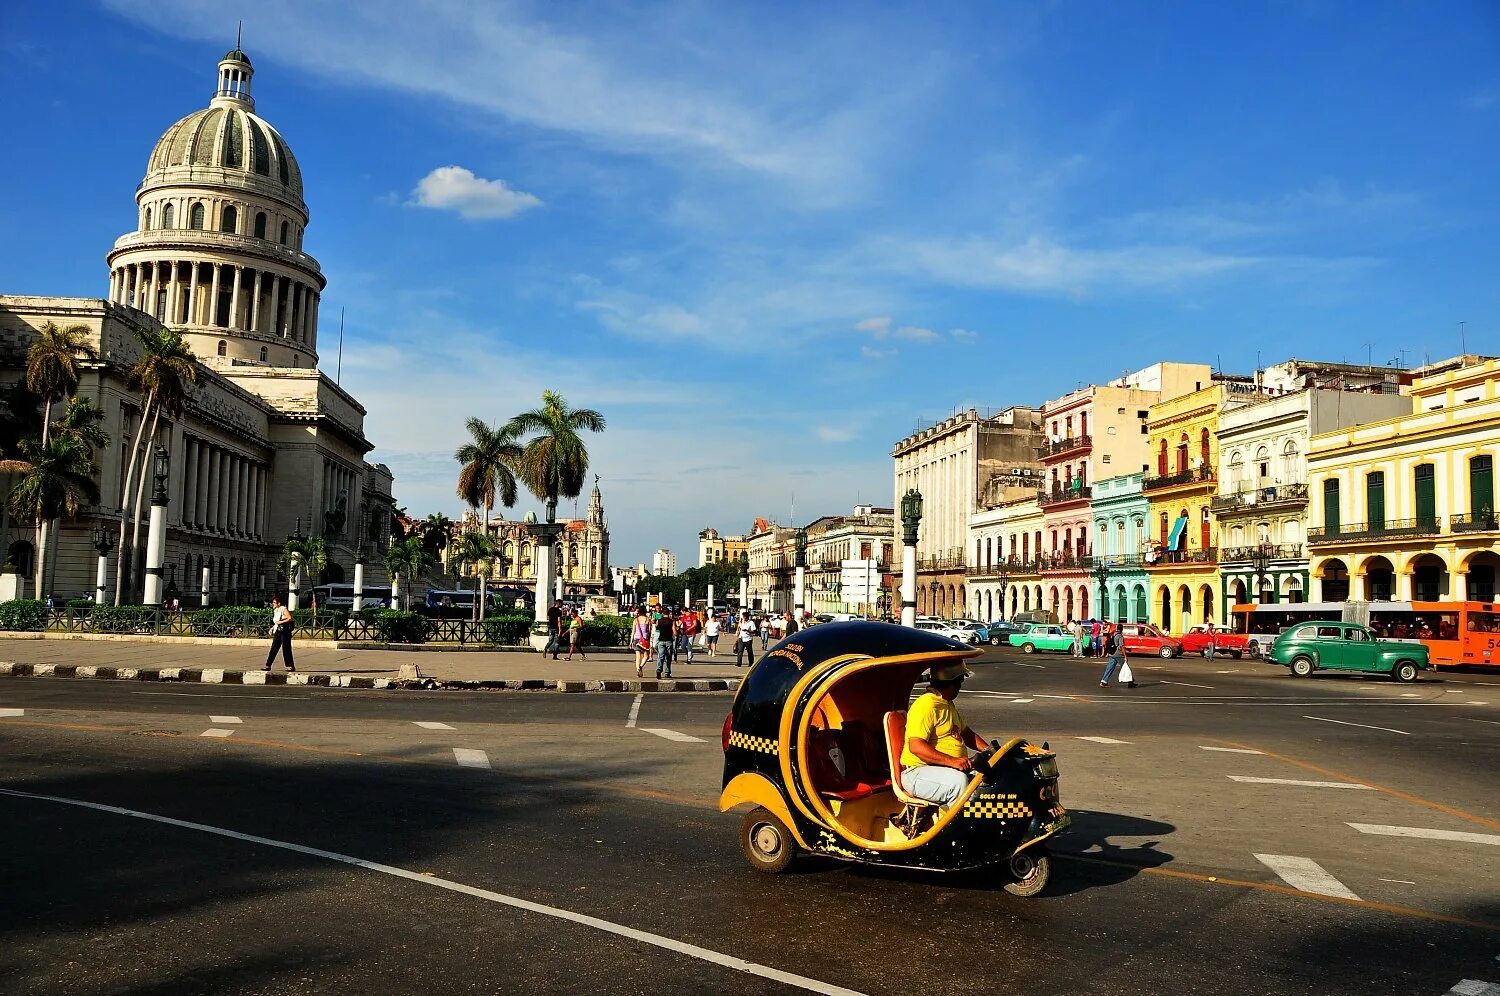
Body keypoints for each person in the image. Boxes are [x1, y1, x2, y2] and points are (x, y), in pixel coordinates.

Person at [900, 660, 988, 806]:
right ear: (952, 682)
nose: (960, 688)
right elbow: (916, 746)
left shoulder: (946, 703)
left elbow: (967, 734)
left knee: (988, 780)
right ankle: (958, 827)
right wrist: (952, 761)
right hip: (917, 773)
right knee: (958, 783)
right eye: (959, 683)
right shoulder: (926, 705)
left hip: (943, 770)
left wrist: (991, 752)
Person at [263, 595, 296, 673]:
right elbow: (276, 622)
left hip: (285, 631)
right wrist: (272, 628)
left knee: (286, 648)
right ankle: (268, 665)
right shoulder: (276, 610)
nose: (273, 604)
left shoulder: (283, 609)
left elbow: (290, 618)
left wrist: (280, 622)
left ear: (279, 603)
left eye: (274, 602)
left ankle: (290, 666)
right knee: (274, 648)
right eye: (273, 602)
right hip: (278, 631)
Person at [654, 608, 677, 679]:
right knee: (668, 657)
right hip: (669, 641)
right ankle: (667, 672)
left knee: (660, 656)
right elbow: (675, 632)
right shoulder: (671, 621)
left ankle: (659, 670)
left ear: (662, 613)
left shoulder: (659, 621)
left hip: (661, 640)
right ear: (668, 613)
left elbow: (656, 627)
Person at [631, 607, 652, 678]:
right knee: (646, 655)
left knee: (638, 656)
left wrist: (631, 641)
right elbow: (649, 631)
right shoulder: (647, 619)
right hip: (644, 639)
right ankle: (641, 666)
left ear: (639, 612)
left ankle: (638, 670)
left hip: (636, 639)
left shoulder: (636, 620)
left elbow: (633, 631)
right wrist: (649, 640)